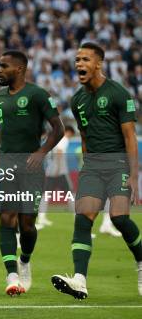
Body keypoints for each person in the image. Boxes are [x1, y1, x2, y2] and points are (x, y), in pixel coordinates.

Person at [51, 41, 141, 299]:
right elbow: (85, 136)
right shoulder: (77, 99)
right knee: (83, 218)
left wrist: (134, 176)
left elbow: (130, 136)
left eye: (85, 60)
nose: (79, 64)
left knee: (119, 218)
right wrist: (87, 166)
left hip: (118, 166)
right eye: (77, 60)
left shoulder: (118, 93)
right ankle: (79, 279)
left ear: (98, 64)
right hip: (92, 167)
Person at [0, 50, 64, 296]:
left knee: (28, 225)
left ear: (19, 69)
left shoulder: (38, 95)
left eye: (4, 66)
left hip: (31, 168)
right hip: (7, 167)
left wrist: (41, 152)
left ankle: (25, 260)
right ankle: (12, 275)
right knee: (6, 218)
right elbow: (1, 131)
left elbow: (59, 129)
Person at [37, 125, 76, 228]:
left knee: (46, 194)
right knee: (70, 194)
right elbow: (59, 151)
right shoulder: (64, 139)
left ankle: (41, 218)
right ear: (69, 132)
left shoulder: (53, 140)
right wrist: (58, 168)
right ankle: (77, 217)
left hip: (50, 171)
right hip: (60, 172)